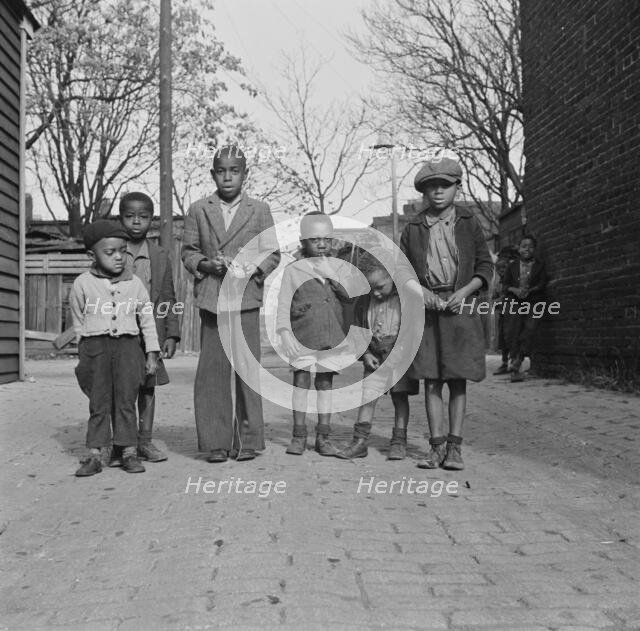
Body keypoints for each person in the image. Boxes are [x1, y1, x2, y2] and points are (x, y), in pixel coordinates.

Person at [182, 145, 280, 463]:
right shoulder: (198, 209)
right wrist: (207, 265)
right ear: (213, 174)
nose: (227, 177)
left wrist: (250, 267)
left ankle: (247, 441)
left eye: (234, 171)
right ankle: (215, 443)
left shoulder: (259, 210)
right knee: (212, 373)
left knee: (247, 371)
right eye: (221, 171)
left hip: (246, 299)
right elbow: (188, 252)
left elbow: (272, 253)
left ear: (245, 174)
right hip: (212, 298)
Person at [400, 155, 493, 470]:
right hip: (427, 312)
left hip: (461, 308)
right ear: (424, 192)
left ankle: (455, 447)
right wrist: (423, 294)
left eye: (445, 185)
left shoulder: (468, 222)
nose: (438, 192)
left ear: (457, 187)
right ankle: (436, 446)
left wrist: (464, 292)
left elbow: (484, 266)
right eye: (431, 187)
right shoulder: (413, 227)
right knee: (431, 380)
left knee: (457, 380)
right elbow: (403, 272)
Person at [69, 220, 160, 476]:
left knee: (126, 401)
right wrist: (84, 350)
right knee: (99, 402)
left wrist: (151, 352)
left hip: (129, 350)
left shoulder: (135, 284)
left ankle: (128, 452)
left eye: (122, 250)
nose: (118, 257)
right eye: (110, 253)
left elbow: (147, 319)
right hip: (95, 349)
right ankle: (96, 454)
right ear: (92, 255)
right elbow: (78, 319)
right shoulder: (82, 283)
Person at [277, 212, 354, 457]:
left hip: (330, 336)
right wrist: (285, 333)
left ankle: (324, 437)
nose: (321, 244)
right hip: (302, 335)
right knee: (301, 383)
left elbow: (348, 295)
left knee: (325, 385)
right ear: (303, 242)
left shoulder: (338, 267)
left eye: (326, 239)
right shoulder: (293, 270)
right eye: (314, 239)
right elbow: (283, 304)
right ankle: (299, 436)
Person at [112, 191, 181, 465]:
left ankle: (145, 441)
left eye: (143, 217)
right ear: (121, 218)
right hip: (120, 332)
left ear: (151, 220)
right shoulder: (113, 250)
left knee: (148, 387)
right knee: (121, 388)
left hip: (150, 334)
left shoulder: (159, 254)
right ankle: (121, 443)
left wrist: (172, 333)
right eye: (129, 216)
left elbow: (168, 295)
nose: (136, 222)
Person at [336, 250, 419, 460]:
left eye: (380, 287)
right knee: (367, 398)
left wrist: (402, 353)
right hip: (374, 356)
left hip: (399, 357)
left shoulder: (405, 301)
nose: (376, 293)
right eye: (371, 289)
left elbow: (413, 330)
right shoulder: (364, 302)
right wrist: (364, 354)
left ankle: (399, 441)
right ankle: (360, 441)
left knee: (400, 398)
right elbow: (357, 330)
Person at [503, 235, 548, 382]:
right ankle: (515, 363)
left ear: (534, 249)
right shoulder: (512, 266)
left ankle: (520, 359)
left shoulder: (540, 265)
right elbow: (505, 285)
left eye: (530, 246)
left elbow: (542, 283)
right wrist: (515, 290)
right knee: (512, 330)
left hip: (534, 301)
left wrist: (530, 290)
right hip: (515, 301)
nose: (527, 249)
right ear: (519, 248)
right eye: (524, 246)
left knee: (530, 328)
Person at [492, 246, 519, 375]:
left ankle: (514, 362)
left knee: (512, 336)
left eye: (504, 268)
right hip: (502, 313)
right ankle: (504, 362)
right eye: (499, 269)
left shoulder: (512, 281)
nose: (501, 271)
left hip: (512, 312)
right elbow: (494, 298)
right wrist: (498, 301)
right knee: (502, 337)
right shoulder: (498, 284)